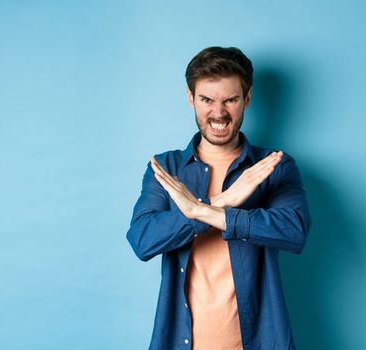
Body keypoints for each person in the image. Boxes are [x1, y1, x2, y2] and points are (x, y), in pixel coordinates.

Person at [126, 46, 311, 350]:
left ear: (247, 98)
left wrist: (204, 211)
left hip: (259, 342)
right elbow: (142, 241)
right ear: (191, 98)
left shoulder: (274, 166)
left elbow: (295, 231)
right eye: (207, 100)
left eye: (230, 100)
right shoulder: (166, 168)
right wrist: (222, 201)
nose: (219, 112)